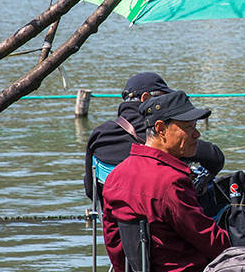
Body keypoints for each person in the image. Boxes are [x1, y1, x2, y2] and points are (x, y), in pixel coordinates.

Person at [100, 91, 230, 272]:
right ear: (160, 129)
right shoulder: (170, 181)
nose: (196, 135)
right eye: (189, 128)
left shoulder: (116, 176)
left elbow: (114, 244)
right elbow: (210, 240)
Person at [84, 72, 225, 206]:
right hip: (158, 221)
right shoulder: (158, 135)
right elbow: (214, 157)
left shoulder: (98, 134)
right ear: (145, 99)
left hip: (115, 217)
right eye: (164, 98)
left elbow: (91, 190)